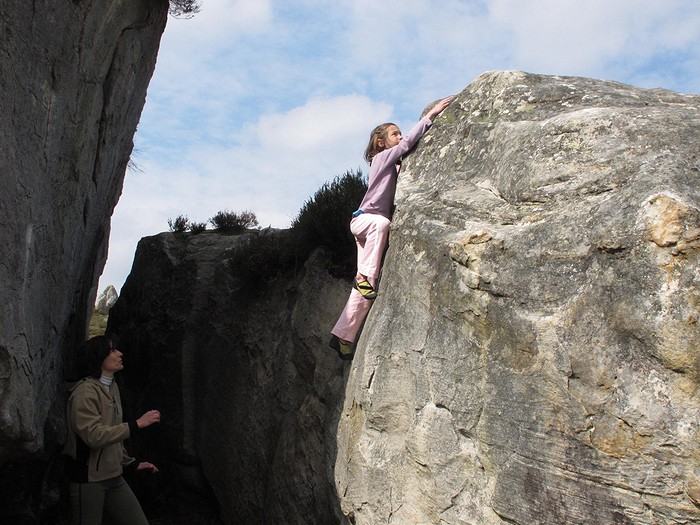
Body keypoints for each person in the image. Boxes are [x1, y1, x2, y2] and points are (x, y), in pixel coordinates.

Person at [329, 96, 453, 359]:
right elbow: (408, 144)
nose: (399, 137)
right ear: (381, 142)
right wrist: (430, 115)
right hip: (365, 220)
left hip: (370, 228)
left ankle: (343, 335)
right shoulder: (382, 158)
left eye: (399, 133)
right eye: (394, 133)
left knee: (369, 284)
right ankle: (363, 278)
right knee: (381, 225)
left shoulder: (392, 165)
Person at [63, 334, 161, 525]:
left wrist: (130, 464)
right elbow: (94, 436)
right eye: (113, 350)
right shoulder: (85, 393)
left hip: (114, 476)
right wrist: (137, 424)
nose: (120, 353)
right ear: (99, 357)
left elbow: (113, 432)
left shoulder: (112, 388)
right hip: (88, 480)